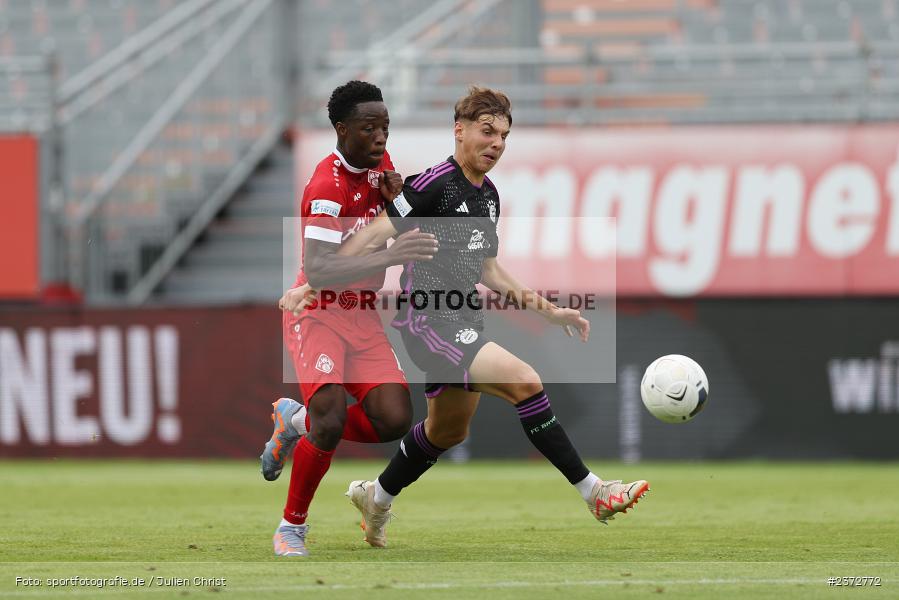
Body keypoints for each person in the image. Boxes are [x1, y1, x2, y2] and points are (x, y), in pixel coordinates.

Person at [305, 86, 650, 547]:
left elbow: (488, 269)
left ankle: (376, 497)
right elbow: (376, 233)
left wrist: (550, 311)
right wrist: (314, 282)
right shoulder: (430, 185)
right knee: (525, 380)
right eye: (487, 132)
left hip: (463, 319)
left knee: (446, 431)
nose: (496, 144)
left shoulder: (488, 195)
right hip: (426, 321)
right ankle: (594, 491)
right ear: (459, 130)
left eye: (504, 136)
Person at [263, 80, 438, 557]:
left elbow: (394, 225)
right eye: (369, 127)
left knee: (394, 418)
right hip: (317, 313)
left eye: (384, 126)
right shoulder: (326, 186)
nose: (380, 136)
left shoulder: (381, 165)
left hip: (361, 316)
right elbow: (318, 268)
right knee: (332, 419)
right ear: (342, 129)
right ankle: (291, 527)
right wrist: (389, 256)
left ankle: (292, 421)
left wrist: (397, 198)